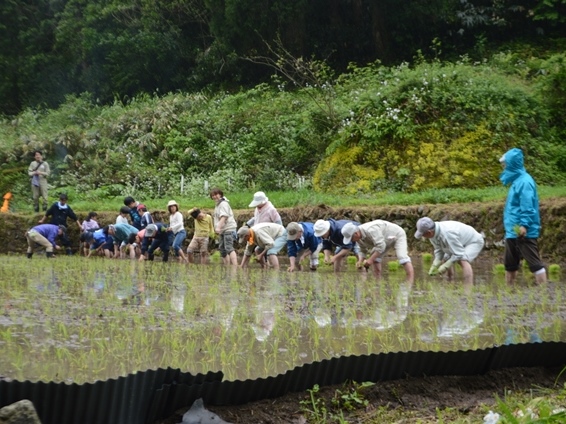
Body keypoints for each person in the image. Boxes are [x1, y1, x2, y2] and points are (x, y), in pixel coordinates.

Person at [499, 147, 547, 285]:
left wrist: (524, 225)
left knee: (534, 263)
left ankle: (544, 293)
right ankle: (509, 291)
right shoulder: (517, 181)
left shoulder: (525, 182)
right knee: (510, 264)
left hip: (523, 230)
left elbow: (527, 206)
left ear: (512, 164)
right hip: (512, 230)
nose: (504, 167)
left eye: (505, 164)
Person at [414, 217, 484, 286]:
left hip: (473, 241)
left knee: (462, 260)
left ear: (429, 232)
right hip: (460, 241)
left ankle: (468, 290)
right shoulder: (433, 233)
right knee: (445, 258)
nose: (423, 237)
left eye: (423, 234)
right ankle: (450, 284)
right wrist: (435, 263)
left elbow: (458, 254)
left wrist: (445, 266)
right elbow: (439, 249)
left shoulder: (448, 233)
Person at [343, 220, 415, 283]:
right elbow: (363, 250)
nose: (351, 241)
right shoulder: (358, 238)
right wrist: (360, 261)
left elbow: (381, 246)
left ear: (356, 233)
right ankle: (377, 283)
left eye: (351, 238)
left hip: (396, 234)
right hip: (384, 240)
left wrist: (370, 260)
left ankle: (410, 282)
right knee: (376, 259)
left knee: (402, 257)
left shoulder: (371, 230)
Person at [246, 191, 283, 267]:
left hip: (269, 234)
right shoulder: (257, 209)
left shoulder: (271, 210)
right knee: (257, 250)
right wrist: (248, 223)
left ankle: (276, 269)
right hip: (259, 234)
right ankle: (265, 267)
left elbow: (279, 223)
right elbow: (256, 218)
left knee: (271, 251)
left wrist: (275, 237)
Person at [210, 188, 238, 265]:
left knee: (229, 248)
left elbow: (224, 217)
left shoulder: (223, 204)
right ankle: (227, 265)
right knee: (222, 250)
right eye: (212, 195)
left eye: (216, 195)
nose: (214, 197)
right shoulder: (218, 205)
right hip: (223, 230)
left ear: (220, 195)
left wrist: (218, 227)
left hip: (228, 228)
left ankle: (235, 266)